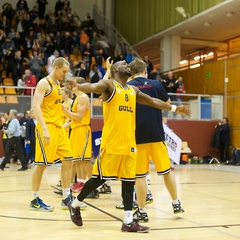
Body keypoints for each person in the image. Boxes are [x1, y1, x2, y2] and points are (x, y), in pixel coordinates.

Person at [66, 58, 190, 232]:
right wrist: (78, 86)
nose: (127, 65)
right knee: (99, 179)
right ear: (115, 71)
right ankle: (75, 203)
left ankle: (128, 221)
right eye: (123, 64)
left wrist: (176, 109)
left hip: (130, 144)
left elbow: (153, 102)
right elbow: (93, 87)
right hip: (112, 143)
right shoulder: (109, 86)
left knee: (128, 180)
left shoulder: (133, 90)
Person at [128, 58, 185, 222]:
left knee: (140, 176)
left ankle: (142, 210)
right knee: (166, 172)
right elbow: (166, 103)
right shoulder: (156, 84)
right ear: (146, 70)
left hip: (138, 136)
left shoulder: (128, 88)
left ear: (131, 72)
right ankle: (176, 203)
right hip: (157, 134)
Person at [30, 57, 73, 212]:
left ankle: (66, 196)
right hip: (46, 127)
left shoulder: (57, 84)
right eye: (64, 71)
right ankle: (34, 199)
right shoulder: (44, 83)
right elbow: (36, 107)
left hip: (59, 128)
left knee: (69, 159)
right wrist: (44, 128)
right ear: (56, 68)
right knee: (41, 165)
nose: (65, 74)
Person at [62, 77, 93, 194]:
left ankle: (91, 185)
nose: (71, 86)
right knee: (78, 160)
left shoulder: (83, 97)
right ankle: (81, 181)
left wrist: (65, 111)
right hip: (75, 129)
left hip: (82, 129)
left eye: (73, 84)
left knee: (85, 160)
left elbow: (79, 116)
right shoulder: (76, 98)